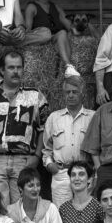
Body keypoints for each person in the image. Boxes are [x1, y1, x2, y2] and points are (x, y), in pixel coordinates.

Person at [0, 51, 49, 206]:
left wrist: (37, 156)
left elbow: (45, 129)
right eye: (11, 67)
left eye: (19, 67)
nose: (16, 71)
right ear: (2, 70)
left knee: (24, 208)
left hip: (23, 161)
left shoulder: (35, 96)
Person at [41, 75, 94, 207]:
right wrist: (49, 165)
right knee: (61, 213)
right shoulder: (54, 118)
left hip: (85, 173)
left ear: (82, 94)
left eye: (74, 92)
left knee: (86, 212)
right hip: (61, 174)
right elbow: (46, 149)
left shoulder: (93, 117)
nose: (70, 95)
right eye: (67, 92)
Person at [24, 0, 79, 77]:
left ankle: (68, 69)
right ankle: (68, 67)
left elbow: (71, 27)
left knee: (63, 33)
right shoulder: (32, 7)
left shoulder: (56, 8)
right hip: (42, 42)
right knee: (61, 33)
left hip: (58, 42)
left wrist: (85, 27)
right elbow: (27, 32)